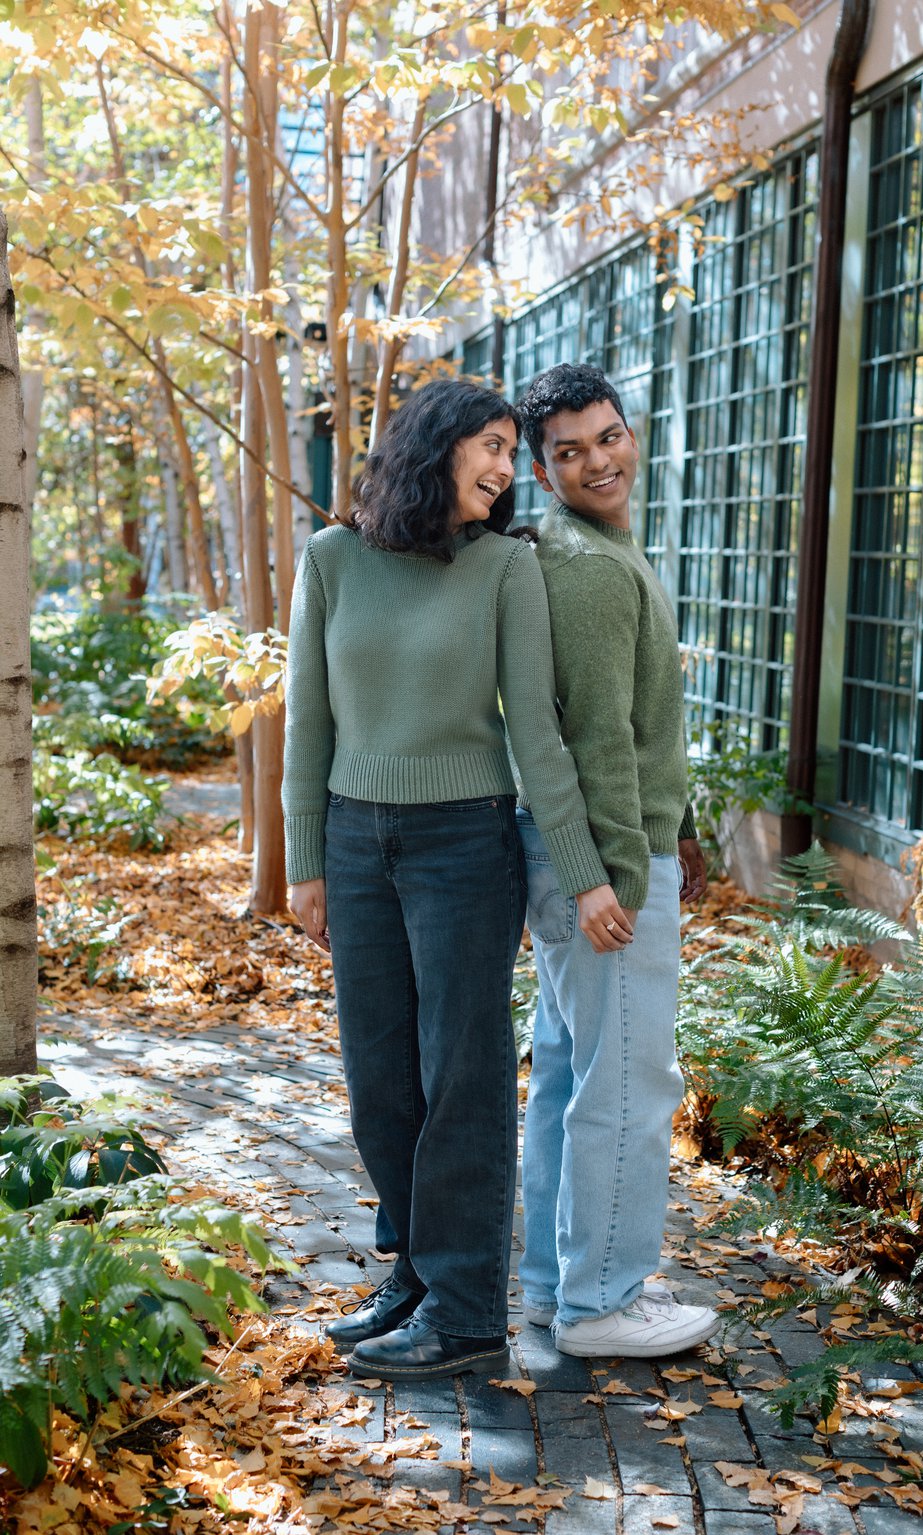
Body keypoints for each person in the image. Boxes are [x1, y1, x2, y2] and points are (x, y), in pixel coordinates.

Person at [283, 378, 628, 1383]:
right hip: (355, 843)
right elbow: (310, 726)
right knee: (379, 1080)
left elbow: (536, 732)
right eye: (488, 442)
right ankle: (418, 1277)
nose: (502, 466)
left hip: (462, 846)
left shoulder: (502, 571)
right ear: (434, 447)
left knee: (463, 1076)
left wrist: (585, 874)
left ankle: (469, 1306)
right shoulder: (332, 560)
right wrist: (305, 858)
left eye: (511, 448)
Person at [514, 363, 718, 1358]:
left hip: (584, 859)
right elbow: (592, 739)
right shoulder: (588, 569)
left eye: (606, 436)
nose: (596, 460)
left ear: (630, 433)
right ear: (541, 468)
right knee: (629, 1082)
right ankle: (603, 1300)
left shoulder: (585, 549)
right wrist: (614, 878)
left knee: (570, 1074)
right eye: (568, 450)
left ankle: (561, 1284)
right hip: (603, 866)